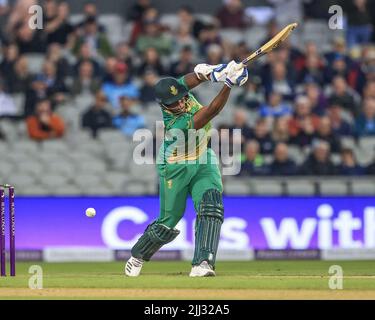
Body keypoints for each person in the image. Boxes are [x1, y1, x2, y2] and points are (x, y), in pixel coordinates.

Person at [125, 60, 248, 277]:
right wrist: (228, 83)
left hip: (203, 158)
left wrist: (212, 73)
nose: (180, 104)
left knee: (211, 206)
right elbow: (211, 112)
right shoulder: (176, 124)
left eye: (181, 98)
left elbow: (191, 79)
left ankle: (202, 263)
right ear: (163, 106)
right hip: (175, 166)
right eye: (173, 103)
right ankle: (138, 255)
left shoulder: (178, 92)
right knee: (168, 221)